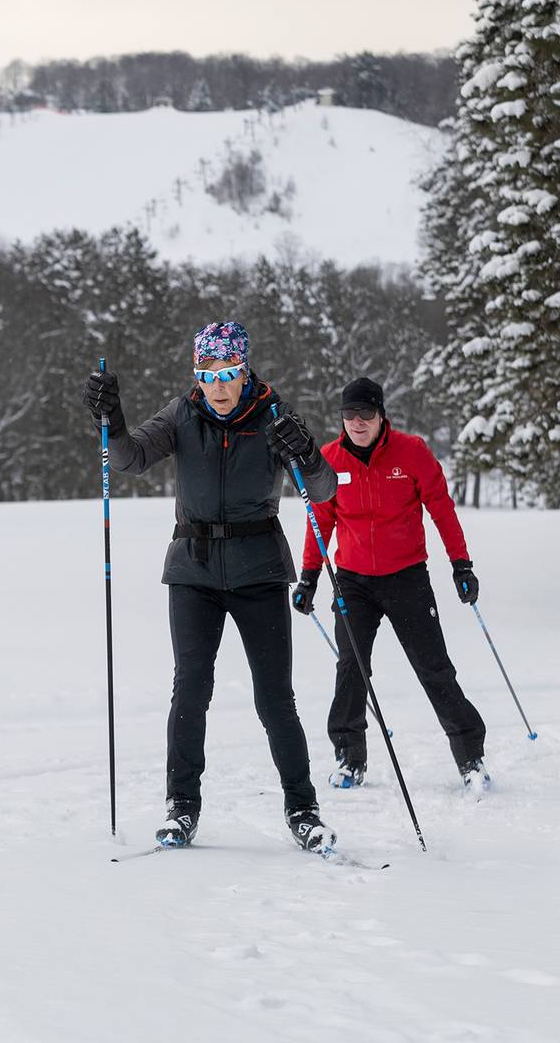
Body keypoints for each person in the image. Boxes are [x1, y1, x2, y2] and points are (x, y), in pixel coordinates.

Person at [82, 321, 339, 851]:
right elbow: (129, 458)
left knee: (275, 699)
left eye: (228, 374)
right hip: (194, 571)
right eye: (208, 376)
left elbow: (323, 488)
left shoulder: (273, 414)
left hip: (259, 570)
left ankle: (303, 809)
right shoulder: (182, 414)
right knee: (191, 690)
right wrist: (112, 418)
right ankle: (182, 807)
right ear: (197, 378)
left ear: (244, 372)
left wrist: (308, 453)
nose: (219, 387)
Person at [290, 377, 491, 795]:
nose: (357, 422)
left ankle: (471, 756)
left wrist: (461, 565)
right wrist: (309, 576)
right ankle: (349, 757)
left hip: (407, 577)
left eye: (366, 413)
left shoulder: (412, 452)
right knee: (352, 669)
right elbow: (319, 523)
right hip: (354, 581)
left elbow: (442, 510)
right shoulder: (329, 460)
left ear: (382, 415)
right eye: (349, 414)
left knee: (433, 667)